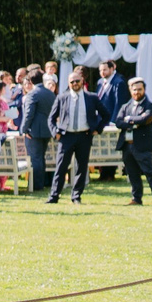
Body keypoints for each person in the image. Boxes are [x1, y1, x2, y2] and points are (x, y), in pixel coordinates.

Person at [49, 70, 103, 204]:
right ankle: (54, 196)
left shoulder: (92, 98)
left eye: (77, 81)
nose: (75, 83)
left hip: (84, 136)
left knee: (81, 167)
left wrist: (98, 128)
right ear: (68, 83)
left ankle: (76, 196)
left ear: (82, 81)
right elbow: (51, 118)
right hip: (66, 136)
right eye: (72, 81)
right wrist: (55, 131)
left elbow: (105, 114)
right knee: (61, 167)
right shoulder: (62, 98)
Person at [115, 77, 152, 206]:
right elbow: (118, 122)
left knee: (149, 172)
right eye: (134, 90)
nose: (137, 92)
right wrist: (133, 122)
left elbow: (145, 119)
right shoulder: (126, 106)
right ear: (130, 91)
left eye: (139, 89)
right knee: (132, 174)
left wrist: (129, 119)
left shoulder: (150, 105)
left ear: (144, 90)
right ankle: (136, 198)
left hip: (142, 145)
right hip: (127, 145)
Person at [21, 68, 56, 200]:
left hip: (34, 131)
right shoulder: (50, 94)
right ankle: (42, 183)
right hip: (47, 129)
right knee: (41, 157)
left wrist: (24, 130)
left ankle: (37, 185)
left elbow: (29, 114)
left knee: (35, 158)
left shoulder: (32, 94)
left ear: (30, 80)